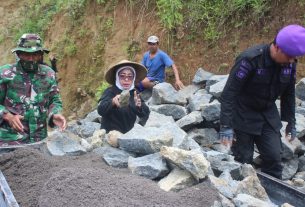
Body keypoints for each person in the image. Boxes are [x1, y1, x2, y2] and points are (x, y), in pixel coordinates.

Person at [219, 24, 305, 179]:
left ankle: (269, 195)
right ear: (278, 47)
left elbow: (289, 94)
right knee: (243, 160)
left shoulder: (289, 64)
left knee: (274, 158)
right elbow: (228, 94)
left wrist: (290, 122)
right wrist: (226, 125)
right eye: (289, 56)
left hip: (267, 114)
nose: (292, 61)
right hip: (243, 114)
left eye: (295, 58)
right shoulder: (250, 60)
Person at [0, 33, 66, 145]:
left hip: (39, 140)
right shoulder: (5, 73)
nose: (31, 59)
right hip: (10, 140)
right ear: (19, 54)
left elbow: (54, 100)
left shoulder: (48, 74)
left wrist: (54, 114)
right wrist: (8, 116)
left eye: (35, 54)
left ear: (41, 54)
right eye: (26, 54)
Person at [98, 60, 150, 133]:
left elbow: (146, 113)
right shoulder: (110, 91)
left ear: (133, 78)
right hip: (110, 135)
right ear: (117, 77)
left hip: (127, 136)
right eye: (122, 76)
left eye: (130, 76)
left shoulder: (134, 93)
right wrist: (112, 102)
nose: (126, 79)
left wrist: (139, 106)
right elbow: (100, 110)